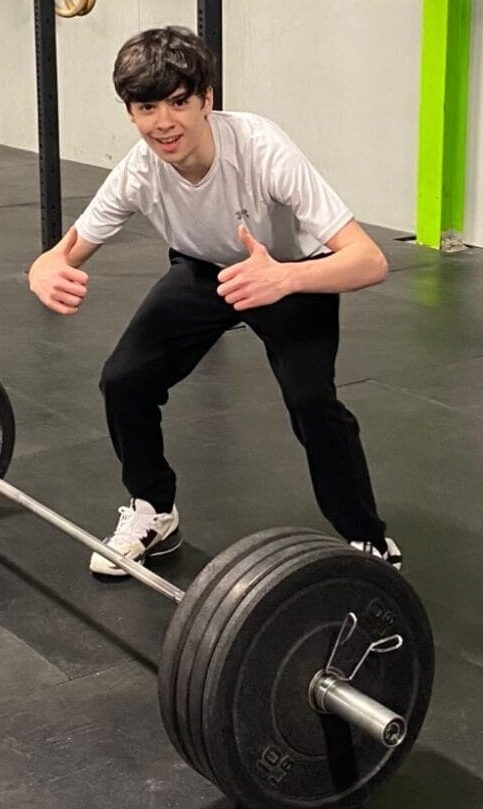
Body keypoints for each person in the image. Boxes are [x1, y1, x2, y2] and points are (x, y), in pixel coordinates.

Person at [28, 25, 401, 577]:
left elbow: (370, 261)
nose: (164, 123)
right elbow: (62, 254)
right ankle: (153, 510)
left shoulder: (261, 148)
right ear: (130, 113)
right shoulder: (139, 170)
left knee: (313, 405)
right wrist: (43, 270)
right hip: (204, 272)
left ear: (207, 99)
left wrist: (285, 280)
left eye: (179, 102)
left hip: (288, 272)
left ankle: (368, 540)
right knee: (124, 380)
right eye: (147, 106)